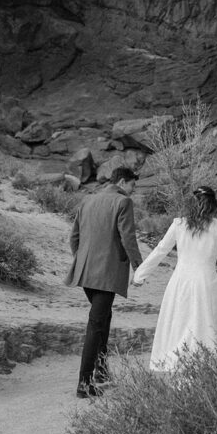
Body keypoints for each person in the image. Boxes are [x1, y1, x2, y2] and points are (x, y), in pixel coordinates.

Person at [132, 185, 217, 372]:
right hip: (206, 283)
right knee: (204, 326)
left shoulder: (179, 224)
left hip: (181, 282)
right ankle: (203, 368)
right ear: (214, 204)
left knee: (180, 323)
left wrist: (139, 275)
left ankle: (177, 366)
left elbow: (161, 250)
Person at [65, 166, 143, 398]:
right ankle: (84, 384)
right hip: (107, 273)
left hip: (86, 272)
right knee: (96, 324)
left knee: (103, 318)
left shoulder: (88, 200)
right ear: (122, 182)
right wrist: (139, 267)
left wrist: (81, 260)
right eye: (132, 185)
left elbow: (73, 237)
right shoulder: (122, 202)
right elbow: (128, 237)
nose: (132, 191)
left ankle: (101, 371)